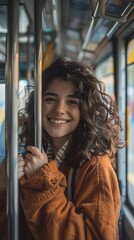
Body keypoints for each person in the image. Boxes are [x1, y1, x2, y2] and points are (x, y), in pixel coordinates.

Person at [0, 58, 123, 240]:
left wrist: (42, 182)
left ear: (86, 110)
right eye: (50, 99)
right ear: (38, 105)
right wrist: (3, 186)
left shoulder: (96, 167)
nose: (59, 109)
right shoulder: (28, 153)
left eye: (72, 102)